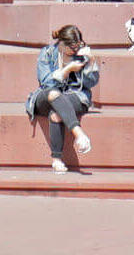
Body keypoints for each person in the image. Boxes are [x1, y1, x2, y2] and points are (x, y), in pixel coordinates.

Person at [25, 24, 99, 174]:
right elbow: (46, 82)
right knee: (53, 94)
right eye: (72, 47)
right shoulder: (47, 53)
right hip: (47, 95)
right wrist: (67, 70)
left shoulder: (81, 56)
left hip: (74, 96)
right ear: (61, 44)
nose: (75, 50)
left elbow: (90, 83)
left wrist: (91, 63)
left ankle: (56, 160)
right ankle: (79, 134)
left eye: (79, 46)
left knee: (56, 114)